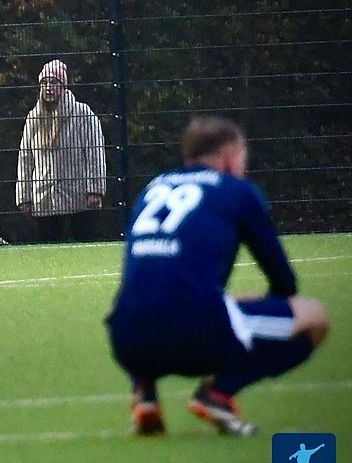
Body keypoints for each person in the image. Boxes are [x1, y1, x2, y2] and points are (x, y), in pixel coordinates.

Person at [105, 117, 330, 436]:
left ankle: (145, 395)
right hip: (196, 337)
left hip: (125, 339)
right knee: (315, 317)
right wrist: (263, 304)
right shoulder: (237, 191)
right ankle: (218, 394)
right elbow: (283, 281)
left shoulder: (152, 188)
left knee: (149, 300)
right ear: (229, 157)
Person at [16, 59, 106, 242]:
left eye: (54, 82)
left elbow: (95, 152)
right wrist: (24, 196)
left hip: (79, 195)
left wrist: (95, 189)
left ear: (64, 86)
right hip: (44, 197)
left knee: (85, 245)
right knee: (48, 250)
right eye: (45, 83)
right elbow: (25, 158)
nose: (49, 87)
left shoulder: (83, 114)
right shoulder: (34, 117)